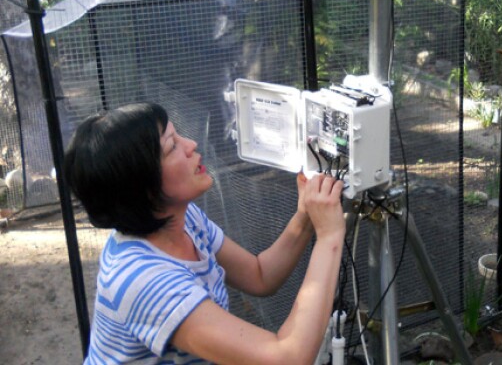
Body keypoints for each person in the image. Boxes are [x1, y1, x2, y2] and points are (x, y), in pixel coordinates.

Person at [63, 102, 345, 364]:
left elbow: (260, 276)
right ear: (143, 186)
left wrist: (305, 217)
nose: (191, 145)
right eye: (172, 146)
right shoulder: (145, 280)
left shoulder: (183, 220)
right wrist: (330, 237)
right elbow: (288, 358)